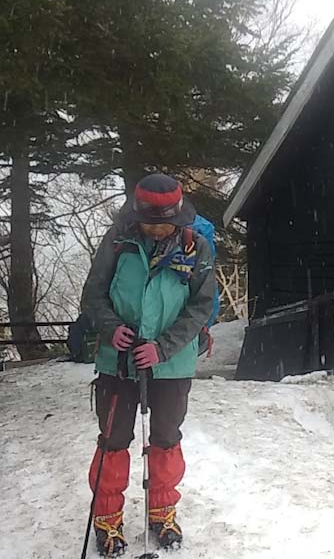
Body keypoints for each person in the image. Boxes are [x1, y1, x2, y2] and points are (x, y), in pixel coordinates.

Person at [81, 174, 215, 556]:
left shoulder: (196, 247)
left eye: (164, 225)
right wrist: (111, 329)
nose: (157, 232)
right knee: (113, 441)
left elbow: (201, 307)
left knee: (166, 440)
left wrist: (163, 347)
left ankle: (163, 513)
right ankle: (107, 520)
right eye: (150, 224)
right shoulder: (118, 241)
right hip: (118, 363)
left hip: (172, 365)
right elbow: (93, 294)